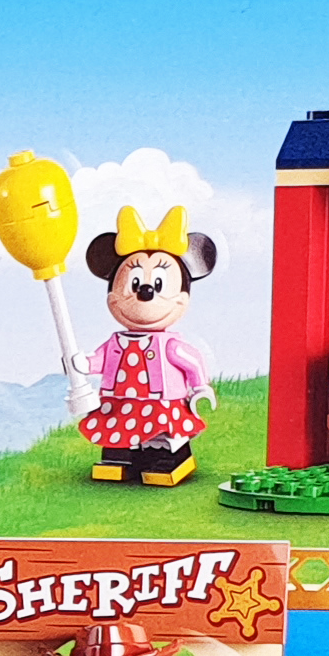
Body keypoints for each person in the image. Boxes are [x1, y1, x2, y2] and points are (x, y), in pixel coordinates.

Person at [70, 206, 218, 486]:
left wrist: (200, 386)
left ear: (182, 296)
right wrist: (82, 363)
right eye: (135, 282)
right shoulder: (116, 343)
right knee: (116, 430)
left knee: (163, 436)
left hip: (161, 403)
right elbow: (100, 360)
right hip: (119, 401)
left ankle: (171, 460)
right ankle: (118, 458)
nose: (145, 291)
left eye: (158, 284)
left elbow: (191, 361)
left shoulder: (170, 345)